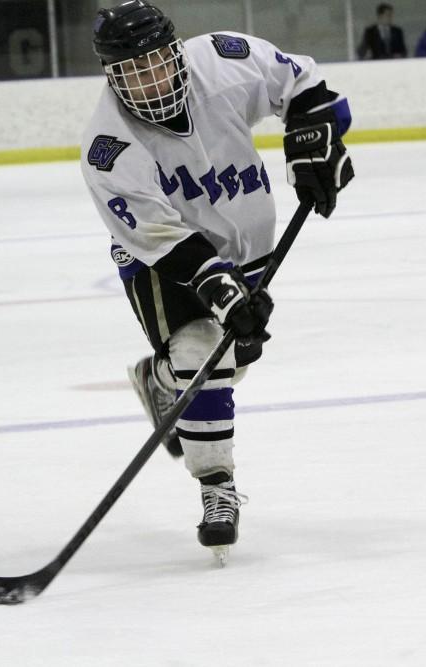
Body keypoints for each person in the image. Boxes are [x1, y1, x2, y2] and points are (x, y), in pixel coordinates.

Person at [81, 1, 353, 561]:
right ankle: (217, 488)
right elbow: (163, 241)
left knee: (235, 359)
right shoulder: (107, 146)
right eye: (131, 72)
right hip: (162, 258)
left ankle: (160, 381)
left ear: (175, 51)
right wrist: (219, 290)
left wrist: (313, 144)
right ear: (111, 77)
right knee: (202, 350)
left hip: (247, 240)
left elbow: (302, 82)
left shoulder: (225, 59)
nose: (150, 80)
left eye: (156, 62)